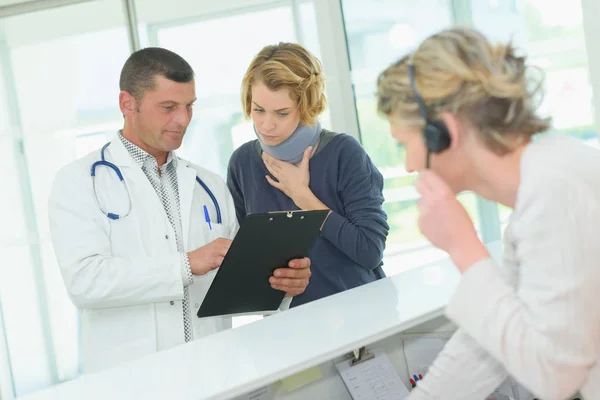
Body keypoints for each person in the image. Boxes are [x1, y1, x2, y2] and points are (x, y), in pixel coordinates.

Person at [48, 47, 312, 374]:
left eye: (189, 107)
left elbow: (235, 280)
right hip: (134, 380)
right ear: (127, 104)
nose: (183, 120)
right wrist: (186, 264)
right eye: (168, 107)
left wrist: (281, 286)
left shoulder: (209, 184)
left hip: (215, 372)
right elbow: (85, 282)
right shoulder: (79, 182)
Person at [376, 27, 600, 399]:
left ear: (443, 133)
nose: (410, 164)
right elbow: (487, 345)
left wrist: (463, 246)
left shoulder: (554, 190)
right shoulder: (542, 183)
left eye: (405, 145)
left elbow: (557, 376)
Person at [226, 43, 389, 307]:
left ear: (306, 105)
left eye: (282, 113)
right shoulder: (243, 163)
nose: (267, 125)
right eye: (258, 110)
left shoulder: (344, 153)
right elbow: (245, 261)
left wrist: (303, 197)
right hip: (290, 328)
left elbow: (369, 251)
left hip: (361, 318)